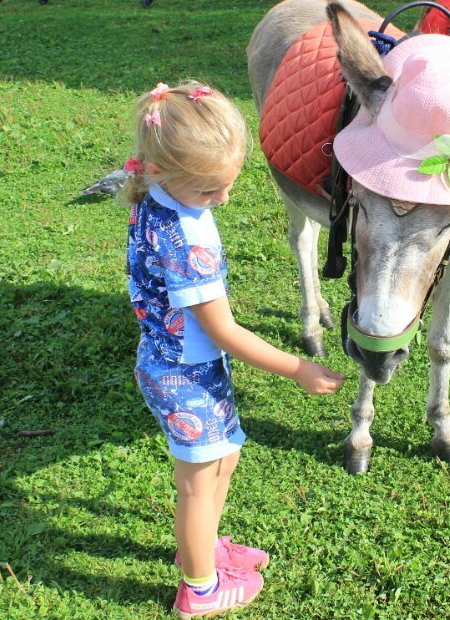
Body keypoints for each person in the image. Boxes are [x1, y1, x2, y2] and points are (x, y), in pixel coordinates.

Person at [121, 81, 345, 619]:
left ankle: (205, 545)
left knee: (223, 459)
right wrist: (299, 369)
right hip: (184, 375)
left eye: (229, 184)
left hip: (179, 363)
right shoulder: (188, 240)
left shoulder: (156, 195)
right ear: (164, 172)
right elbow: (223, 331)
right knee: (198, 486)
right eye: (208, 191)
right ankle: (199, 589)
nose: (222, 198)